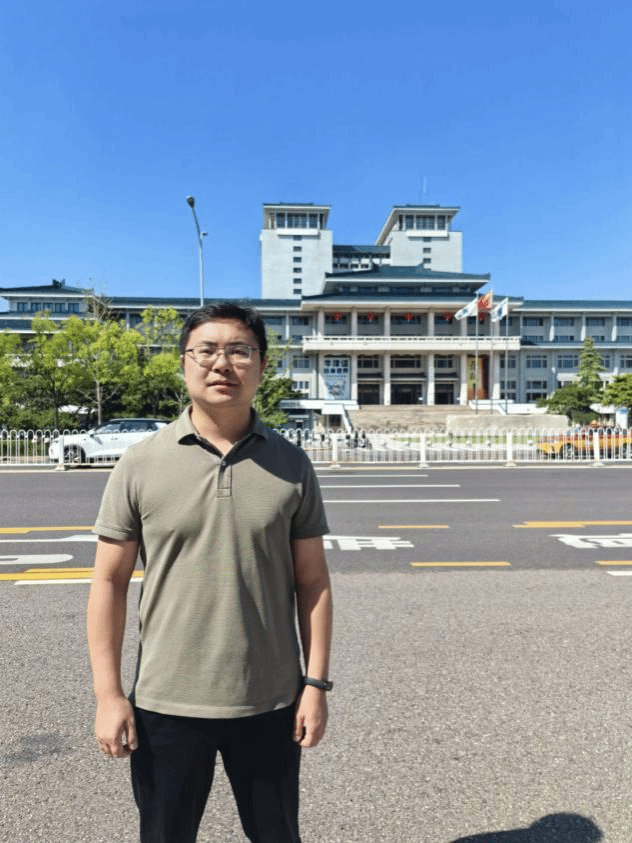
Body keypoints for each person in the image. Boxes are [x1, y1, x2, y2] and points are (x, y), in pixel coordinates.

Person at [87, 302, 333, 843]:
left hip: (270, 699)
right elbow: (108, 582)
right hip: (165, 701)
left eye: (240, 351)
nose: (222, 364)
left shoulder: (291, 465)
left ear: (261, 366)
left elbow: (313, 583)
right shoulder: (140, 463)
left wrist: (315, 685)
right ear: (184, 363)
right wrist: (109, 695)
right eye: (207, 351)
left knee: (277, 835)